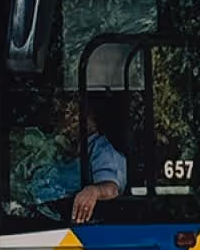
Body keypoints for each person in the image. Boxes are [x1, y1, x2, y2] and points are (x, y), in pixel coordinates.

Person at [28, 96, 127, 224]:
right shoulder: (67, 149)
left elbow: (111, 189)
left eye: (73, 117)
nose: (67, 124)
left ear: (90, 120)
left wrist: (94, 191)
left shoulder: (101, 149)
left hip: (81, 225)